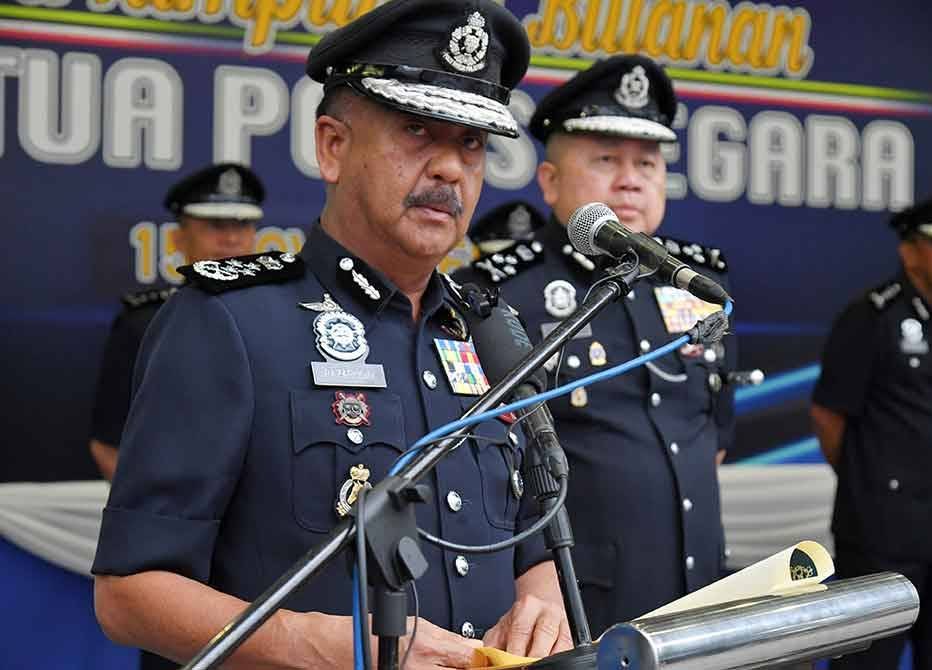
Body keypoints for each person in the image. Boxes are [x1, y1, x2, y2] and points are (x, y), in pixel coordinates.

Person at [91, 1, 572, 668]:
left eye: (469, 143)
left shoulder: (489, 333)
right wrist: (322, 644)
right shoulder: (228, 319)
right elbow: (127, 594)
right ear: (333, 146)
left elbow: (531, 548)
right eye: (416, 130)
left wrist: (541, 606)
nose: (449, 170)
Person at [453, 55, 735, 635]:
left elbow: (713, 440)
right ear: (551, 181)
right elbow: (478, 468)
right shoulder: (501, 290)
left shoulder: (699, 285)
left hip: (700, 595)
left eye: (647, 163)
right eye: (606, 159)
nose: (630, 178)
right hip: (575, 606)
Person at [811, 193, 932, 670]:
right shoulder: (871, 316)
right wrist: (870, 484)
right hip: (881, 536)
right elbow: (828, 415)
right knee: (869, 663)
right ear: (909, 250)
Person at [89, 162, 264, 481]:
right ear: (178, 239)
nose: (232, 240)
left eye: (242, 225)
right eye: (215, 225)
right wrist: (161, 523)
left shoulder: (286, 323)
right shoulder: (144, 324)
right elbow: (107, 446)